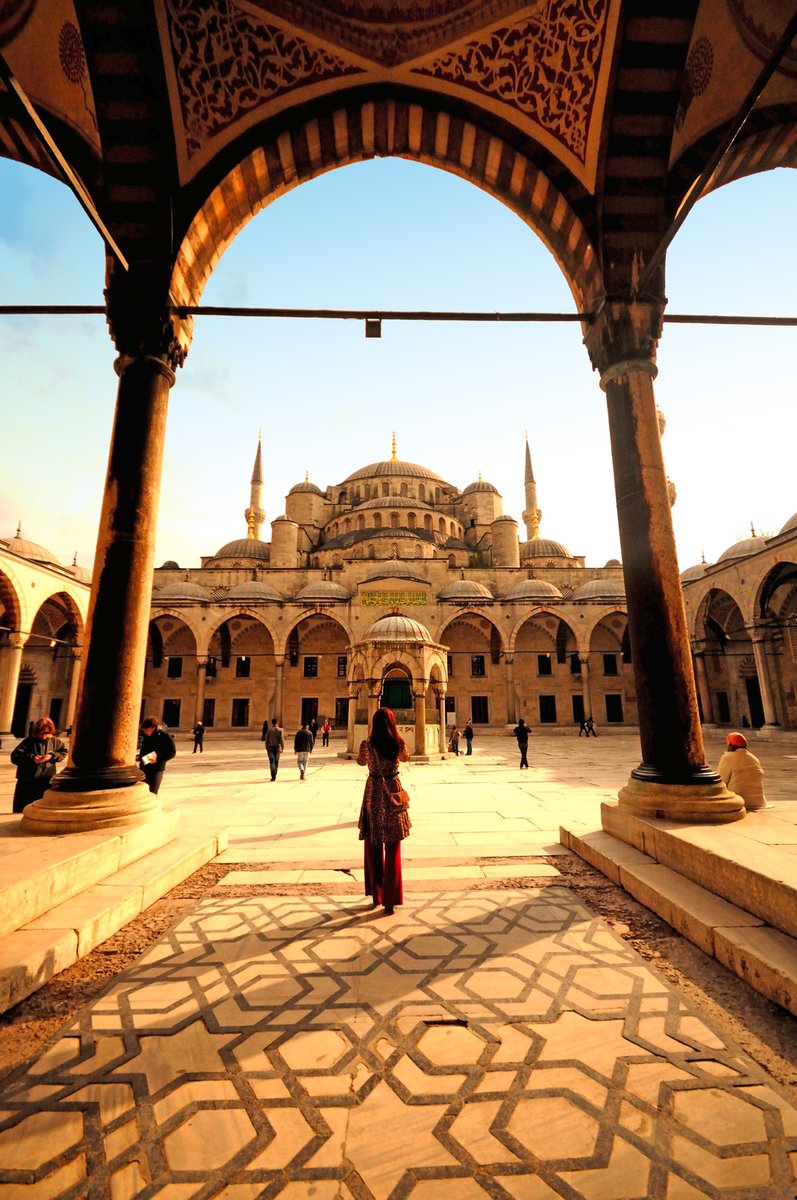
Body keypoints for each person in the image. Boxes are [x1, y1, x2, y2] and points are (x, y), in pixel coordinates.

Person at [357, 707, 411, 915]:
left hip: (373, 793)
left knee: (373, 844)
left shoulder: (367, 745)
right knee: (393, 845)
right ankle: (391, 899)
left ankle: (376, 895)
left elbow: (361, 762)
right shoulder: (398, 743)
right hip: (392, 793)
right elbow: (406, 758)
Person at [10, 717, 68, 813]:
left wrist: (51, 756)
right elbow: (15, 756)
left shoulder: (55, 742)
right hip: (28, 780)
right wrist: (32, 758)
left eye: (47, 733)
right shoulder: (28, 742)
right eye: (42, 733)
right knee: (23, 806)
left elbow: (63, 752)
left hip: (46, 779)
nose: (44, 736)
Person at [717, 732, 773, 811]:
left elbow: (721, 781)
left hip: (738, 800)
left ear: (730, 745)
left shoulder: (727, 757)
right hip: (758, 802)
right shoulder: (754, 758)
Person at [136, 715, 176, 794]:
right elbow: (144, 752)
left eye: (147, 730)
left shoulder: (164, 736)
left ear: (153, 727)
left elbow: (172, 753)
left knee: (153, 792)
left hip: (156, 770)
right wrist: (139, 757)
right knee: (142, 793)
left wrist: (158, 759)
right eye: (144, 730)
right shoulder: (146, 736)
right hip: (144, 768)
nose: (145, 732)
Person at [262, 717, 285, 781]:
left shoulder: (269, 730)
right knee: (276, 762)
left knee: (272, 762)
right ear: (277, 722)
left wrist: (266, 747)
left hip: (270, 748)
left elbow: (266, 740)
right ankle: (275, 773)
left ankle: (273, 775)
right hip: (277, 748)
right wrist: (283, 747)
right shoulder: (280, 730)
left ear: (272, 723)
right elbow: (281, 739)